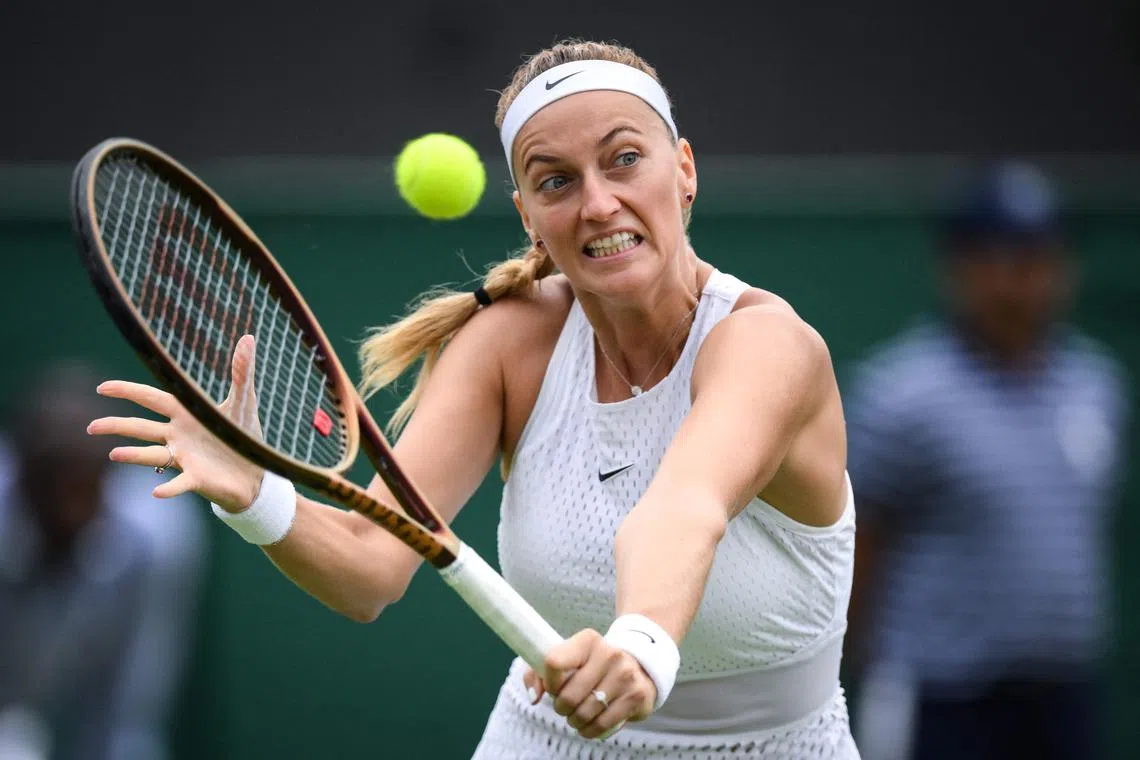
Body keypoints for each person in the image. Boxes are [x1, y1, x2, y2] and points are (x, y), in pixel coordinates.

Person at [88, 40, 860, 758]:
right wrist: (257, 496)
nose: (597, 204)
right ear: (527, 212)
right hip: (546, 738)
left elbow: (682, 507)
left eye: (624, 160)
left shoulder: (768, 346)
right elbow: (368, 565)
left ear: (684, 170)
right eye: (556, 179)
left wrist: (639, 649)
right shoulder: (508, 344)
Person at [846, 162, 1130, 760]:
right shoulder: (901, 393)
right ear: (962, 268)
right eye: (1008, 259)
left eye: (1043, 258)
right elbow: (858, 550)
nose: (1026, 281)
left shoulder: (1097, 385)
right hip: (943, 696)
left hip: (1066, 694)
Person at [0, 361, 205, 760]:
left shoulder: (157, 539)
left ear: (108, 481)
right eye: (47, 482)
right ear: (19, 475)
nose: (64, 506)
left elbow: (127, 714)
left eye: (80, 486)